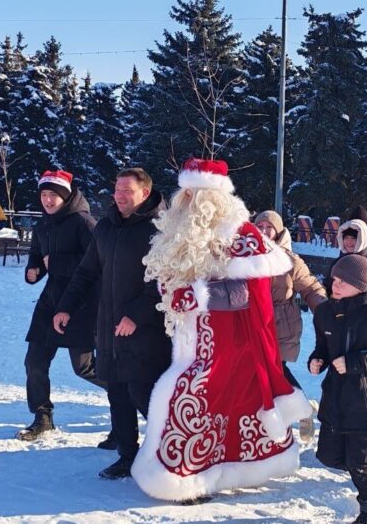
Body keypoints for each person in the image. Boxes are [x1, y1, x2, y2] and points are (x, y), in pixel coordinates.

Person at [131, 158, 313, 503]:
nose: (186, 201)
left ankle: (186, 475)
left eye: (194, 194)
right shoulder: (184, 231)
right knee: (195, 402)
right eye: (185, 193)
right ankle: (191, 471)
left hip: (229, 345)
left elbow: (248, 295)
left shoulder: (241, 235)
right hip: (194, 339)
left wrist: (196, 296)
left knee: (192, 399)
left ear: (213, 198)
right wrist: (173, 290)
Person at [53, 168, 169, 479]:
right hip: (109, 326)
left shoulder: (160, 229)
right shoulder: (105, 227)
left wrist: (136, 314)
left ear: (145, 193)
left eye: (127, 191)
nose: (119, 196)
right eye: (117, 189)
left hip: (146, 331)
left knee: (143, 394)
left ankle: (171, 452)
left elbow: (163, 281)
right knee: (117, 393)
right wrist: (66, 307)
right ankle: (127, 456)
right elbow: (86, 272)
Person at [17, 171, 109, 444]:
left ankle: (127, 392)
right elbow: (38, 254)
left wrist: (56, 263)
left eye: (53, 195)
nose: (47, 200)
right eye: (43, 195)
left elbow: (98, 262)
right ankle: (42, 415)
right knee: (34, 362)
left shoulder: (84, 222)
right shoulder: (43, 224)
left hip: (81, 303)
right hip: (50, 301)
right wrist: (33, 269)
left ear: (65, 196)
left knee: (84, 367)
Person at [309, 254, 367, 524]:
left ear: (361, 286)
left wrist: (355, 363)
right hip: (335, 397)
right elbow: (323, 346)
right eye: (334, 279)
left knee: (357, 462)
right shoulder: (325, 312)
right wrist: (318, 359)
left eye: (343, 282)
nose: (335, 285)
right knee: (329, 456)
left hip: (365, 400)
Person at [254, 209, 327, 443]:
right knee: (262, 374)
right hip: (256, 325)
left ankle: (300, 410)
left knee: (276, 371)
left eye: (269, 227)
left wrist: (324, 311)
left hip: (282, 325)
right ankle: (284, 415)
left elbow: (311, 287)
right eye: (260, 227)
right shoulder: (247, 256)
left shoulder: (289, 260)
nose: (264, 231)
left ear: (278, 231)